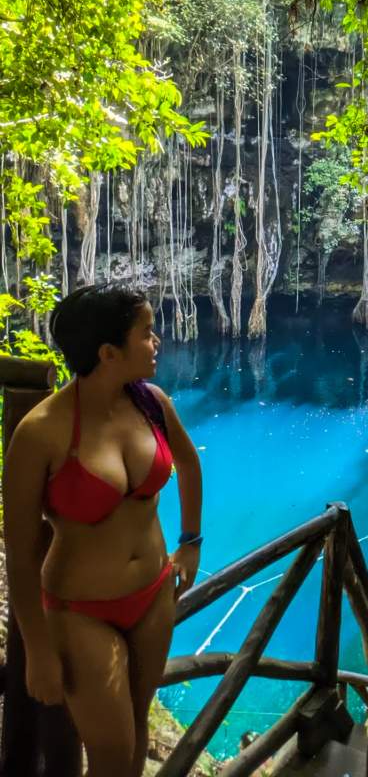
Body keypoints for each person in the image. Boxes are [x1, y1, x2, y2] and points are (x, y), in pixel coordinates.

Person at [3, 284, 203, 777]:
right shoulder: (42, 432)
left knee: (135, 736)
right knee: (113, 756)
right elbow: (20, 553)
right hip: (80, 611)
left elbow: (189, 464)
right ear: (109, 352)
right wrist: (39, 652)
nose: (157, 342)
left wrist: (190, 543)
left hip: (154, 593)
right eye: (146, 333)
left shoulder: (151, 403)